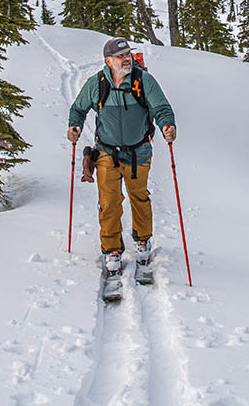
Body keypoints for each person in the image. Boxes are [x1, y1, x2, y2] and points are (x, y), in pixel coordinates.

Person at [68, 36, 176, 275]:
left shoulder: (144, 81)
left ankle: (143, 240)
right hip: (106, 152)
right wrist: (74, 126)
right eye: (120, 56)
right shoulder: (96, 84)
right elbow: (78, 108)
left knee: (139, 197)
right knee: (109, 202)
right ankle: (111, 250)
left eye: (128, 54)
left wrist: (167, 126)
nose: (127, 59)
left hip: (139, 152)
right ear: (108, 61)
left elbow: (161, 108)